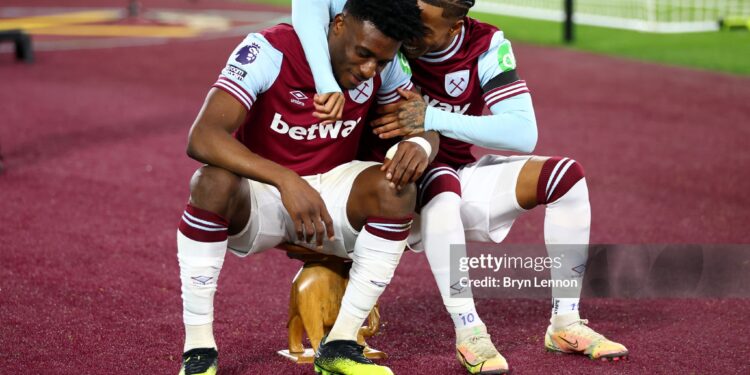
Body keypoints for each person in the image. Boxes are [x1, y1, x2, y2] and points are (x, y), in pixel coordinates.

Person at [293, 0, 629, 373]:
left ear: (455, 28)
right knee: (442, 181)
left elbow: (523, 132)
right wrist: (327, 82)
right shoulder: (390, 24)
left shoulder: (485, 45)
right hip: (381, 190)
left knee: (566, 177)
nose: (409, 33)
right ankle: (469, 331)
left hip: (449, 183)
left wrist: (430, 118)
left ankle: (566, 323)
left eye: (424, 29)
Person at [175, 1, 431, 375]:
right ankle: (198, 350)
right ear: (338, 25)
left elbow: (425, 122)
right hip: (264, 193)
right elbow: (202, 136)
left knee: (396, 187)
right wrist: (285, 179)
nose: (367, 70)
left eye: (378, 62)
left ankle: (341, 345)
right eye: (362, 55)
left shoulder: (386, 64)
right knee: (210, 182)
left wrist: (421, 143)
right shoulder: (269, 49)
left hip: (333, 194)